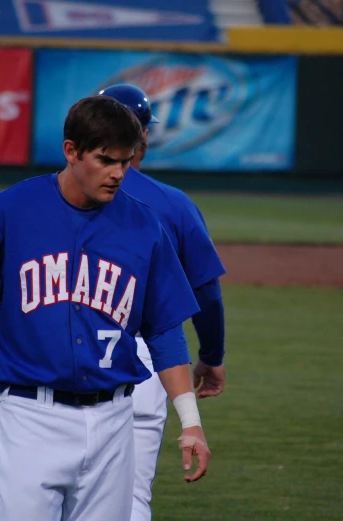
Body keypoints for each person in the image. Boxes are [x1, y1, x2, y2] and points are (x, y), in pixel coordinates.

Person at [0, 96, 211, 521]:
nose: (118, 173)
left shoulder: (143, 225)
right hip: (30, 420)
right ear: (71, 151)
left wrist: (190, 420)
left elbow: (164, 328)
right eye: (106, 160)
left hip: (115, 423)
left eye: (125, 160)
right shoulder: (9, 212)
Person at [98, 83, 227, 521]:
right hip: (147, 357)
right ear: (143, 136)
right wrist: (212, 355)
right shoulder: (172, 203)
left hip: (65, 354)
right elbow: (206, 293)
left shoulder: (58, 196)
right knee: (129, 501)